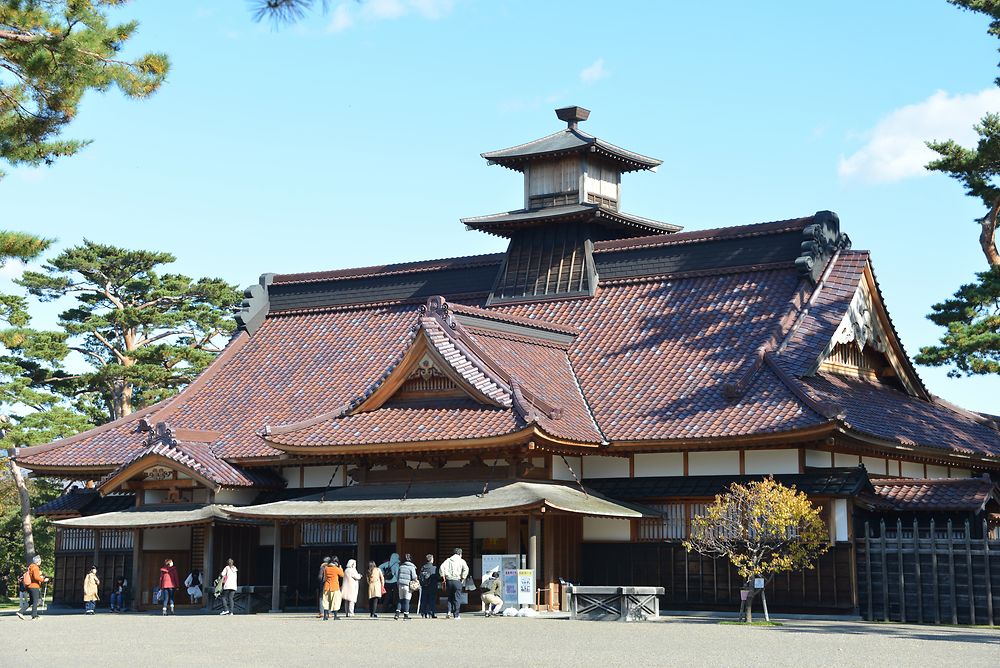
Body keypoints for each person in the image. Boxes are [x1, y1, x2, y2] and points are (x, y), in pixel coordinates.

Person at [439, 547, 469, 620]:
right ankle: (456, 615)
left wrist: (443, 576)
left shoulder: (448, 560)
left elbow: (441, 567)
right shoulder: (461, 561)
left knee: (450, 597)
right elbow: (466, 569)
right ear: (460, 554)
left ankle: (449, 611)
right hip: (457, 580)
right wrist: (463, 577)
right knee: (457, 598)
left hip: (449, 580)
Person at [16, 554, 48, 620]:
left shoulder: (31, 567)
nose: (40, 562)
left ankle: (20, 612)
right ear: (38, 561)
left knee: (31, 601)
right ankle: (34, 615)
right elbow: (36, 577)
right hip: (34, 586)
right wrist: (43, 580)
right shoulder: (35, 567)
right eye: (40, 561)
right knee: (35, 601)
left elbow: (33, 576)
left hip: (30, 586)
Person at [394, 554, 418, 620]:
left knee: (400, 599)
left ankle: (397, 614)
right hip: (407, 585)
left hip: (400, 585)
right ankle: (406, 615)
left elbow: (398, 576)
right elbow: (414, 577)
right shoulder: (412, 567)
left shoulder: (401, 567)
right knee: (407, 600)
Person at [320, 556, 345, 621]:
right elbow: (342, 575)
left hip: (326, 586)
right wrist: (340, 568)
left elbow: (325, 577)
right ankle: (335, 616)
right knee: (336, 601)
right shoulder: (336, 569)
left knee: (326, 601)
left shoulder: (326, 568)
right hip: (335, 587)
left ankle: (325, 616)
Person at [418, 554, 439, 619]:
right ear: (432, 560)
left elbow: (420, 576)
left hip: (424, 586)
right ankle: (431, 613)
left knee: (424, 600)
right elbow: (437, 577)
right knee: (432, 600)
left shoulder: (423, 567)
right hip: (432, 586)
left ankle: (423, 613)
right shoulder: (434, 568)